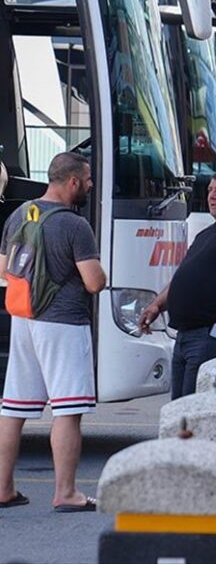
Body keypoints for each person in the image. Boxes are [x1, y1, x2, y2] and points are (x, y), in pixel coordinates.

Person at [0, 152, 105, 512]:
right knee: (68, 408)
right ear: (73, 181)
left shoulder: (19, 214)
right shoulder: (75, 225)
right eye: (88, 179)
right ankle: (66, 492)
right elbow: (93, 282)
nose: (90, 185)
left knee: (14, 407)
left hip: (23, 318)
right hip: (63, 322)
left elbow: (4, 269)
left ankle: (3, 489)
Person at [139, 169, 216, 399]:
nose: (212, 196)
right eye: (210, 190)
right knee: (178, 408)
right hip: (183, 336)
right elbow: (185, 274)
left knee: (193, 410)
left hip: (210, 334)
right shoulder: (207, 233)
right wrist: (157, 305)